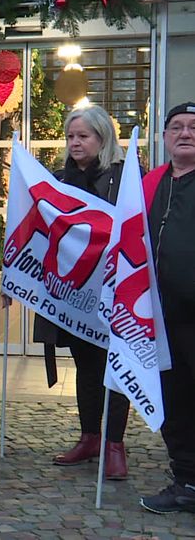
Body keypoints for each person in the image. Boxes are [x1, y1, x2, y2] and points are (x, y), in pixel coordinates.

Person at [30, 105, 131, 480]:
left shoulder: (126, 179)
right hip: (75, 293)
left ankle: (114, 445)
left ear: (102, 138)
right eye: (71, 136)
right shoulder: (58, 181)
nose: (75, 142)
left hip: (115, 291)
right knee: (87, 368)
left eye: (83, 136)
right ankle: (90, 437)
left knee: (115, 370)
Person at [139, 101, 195, 514]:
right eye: (177, 126)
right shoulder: (151, 183)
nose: (185, 133)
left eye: (194, 127)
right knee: (174, 402)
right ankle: (187, 482)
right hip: (160, 317)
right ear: (164, 136)